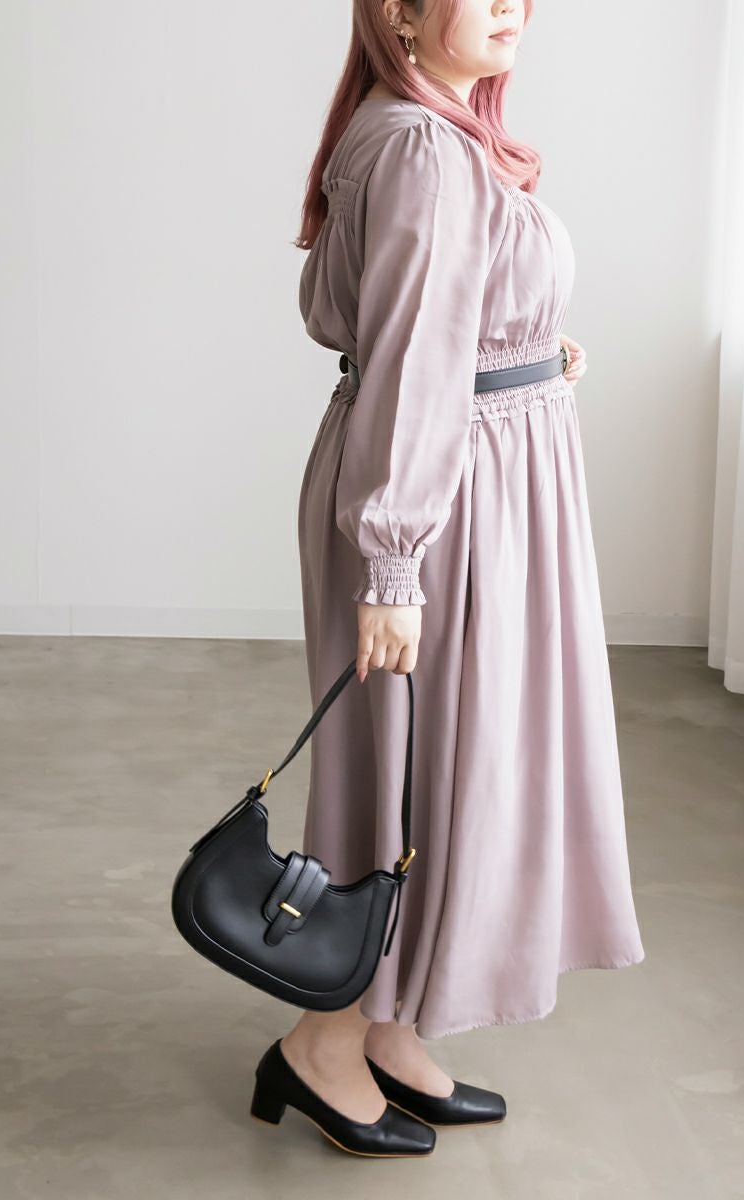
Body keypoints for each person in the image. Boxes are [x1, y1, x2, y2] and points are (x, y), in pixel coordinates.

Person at [250, 0, 645, 1158]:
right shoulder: (422, 145)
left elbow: (434, 327)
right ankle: (321, 1041)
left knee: (447, 767)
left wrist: (534, 353)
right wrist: (392, 562)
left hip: (480, 482)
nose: (513, 5)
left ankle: (389, 1026)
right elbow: (414, 360)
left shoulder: (420, 128)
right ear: (403, 14)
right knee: (408, 776)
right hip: (444, 502)